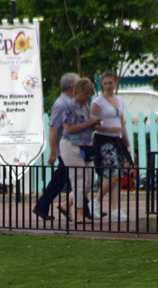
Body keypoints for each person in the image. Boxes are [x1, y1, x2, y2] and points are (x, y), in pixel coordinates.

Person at [32, 73, 80, 221]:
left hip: (68, 148)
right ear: (73, 86)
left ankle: (43, 206)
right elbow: (53, 128)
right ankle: (43, 206)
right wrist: (53, 152)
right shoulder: (61, 104)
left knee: (71, 179)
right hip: (64, 149)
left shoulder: (68, 102)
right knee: (70, 178)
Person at [90, 71, 133, 223]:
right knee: (113, 173)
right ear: (102, 84)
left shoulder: (120, 101)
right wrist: (110, 130)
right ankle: (95, 202)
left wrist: (128, 146)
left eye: (110, 83)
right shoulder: (98, 102)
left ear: (115, 83)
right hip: (103, 141)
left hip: (118, 142)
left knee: (117, 176)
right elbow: (92, 125)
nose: (108, 86)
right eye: (105, 83)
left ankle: (115, 210)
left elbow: (122, 125)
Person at [57, 78, 100, 222]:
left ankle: (66, 204)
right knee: (79, 180)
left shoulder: (85, 106)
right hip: (71, 145)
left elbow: (85, 126)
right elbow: (68, 129)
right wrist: (88, 122)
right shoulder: (71, 107)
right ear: (78, 91)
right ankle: (79, 214)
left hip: (86, 147)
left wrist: (93, 124)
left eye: (90, 93)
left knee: (90, 180)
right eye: (86, 93)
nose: (88, 96)